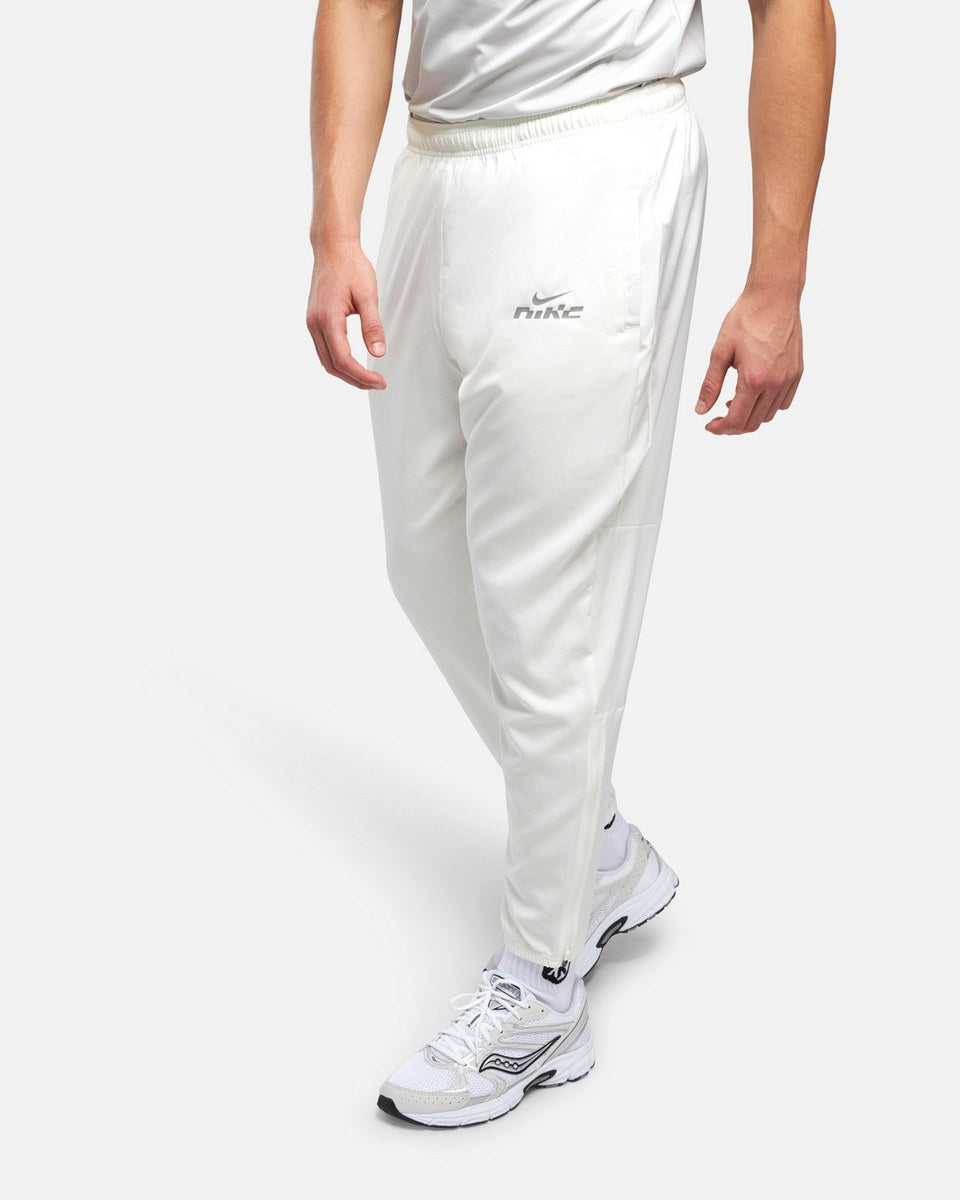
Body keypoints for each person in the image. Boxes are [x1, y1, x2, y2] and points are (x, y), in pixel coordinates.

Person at [306, 0, 835, 1127]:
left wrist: (777, 280)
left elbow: (794, 10)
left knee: (547, 599)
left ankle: (542, 990)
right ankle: (596, 850)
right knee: (423, 558)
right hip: (436, 167)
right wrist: (334, 224)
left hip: (595, 162)